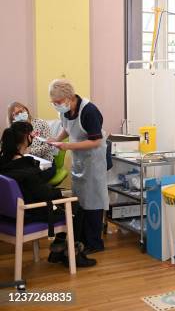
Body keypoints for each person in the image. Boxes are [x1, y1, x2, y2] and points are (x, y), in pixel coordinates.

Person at [0, 121, 96, 267]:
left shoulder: (4, 162)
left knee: (67, 202)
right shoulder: (27, 168)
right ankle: (72, 254)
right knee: (76, 206)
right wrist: (58, 193)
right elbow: (45, 194)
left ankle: (57, 251)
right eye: (32, 134)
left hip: (8, 215)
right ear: (27, 138)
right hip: (29, 212)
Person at [47, 79, 109, 255]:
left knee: (93, 200)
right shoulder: (65, 112)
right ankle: (80, 239)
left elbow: (95, 140)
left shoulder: (89, 111)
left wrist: (67, 146)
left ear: (68, 98)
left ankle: (94, 243)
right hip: (80, 159)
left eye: (58, 103)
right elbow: (67, 128)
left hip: (93, 160)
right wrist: (57, 140)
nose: (56, 106)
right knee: (79, 199)